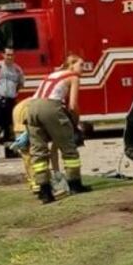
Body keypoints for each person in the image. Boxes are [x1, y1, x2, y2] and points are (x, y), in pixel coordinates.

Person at [26, 54, 90, 204]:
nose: (83, 68)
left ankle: (44, 191)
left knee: (38, 151)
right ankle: (75, 185)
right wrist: (75, 123)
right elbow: (73, 105)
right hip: (50, 107)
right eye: (81, 65)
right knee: (68, 147)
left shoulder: (53, 74)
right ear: (71, 66)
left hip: (32, 107)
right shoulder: (73, 77)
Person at [0, 48, 25, 160]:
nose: (10, 57)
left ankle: (11, 152)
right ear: (3, 55)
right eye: (8, 55)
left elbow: (21, 84)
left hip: (11, 101)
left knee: (10, 127)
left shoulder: (17, 70)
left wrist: (13, 93)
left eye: (12, 55)